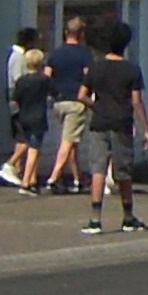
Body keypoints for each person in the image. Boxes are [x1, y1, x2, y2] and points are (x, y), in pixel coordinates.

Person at [76, 21, 148, 236]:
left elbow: (81, 95)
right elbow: (136, 101)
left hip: (99, 122)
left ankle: (95, 219)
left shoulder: (95, 68)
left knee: (98, 169)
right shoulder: (132, 69)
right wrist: (146, 128)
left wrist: (96, 105)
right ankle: (128, 216)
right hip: (122, 122)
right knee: (123, 171)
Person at [40, 17, 94, 197]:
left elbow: (47, 77)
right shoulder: (84, 54)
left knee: (71, 141)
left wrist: (53, 93)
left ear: (65, 32)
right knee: (69, 141)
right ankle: (53, 179)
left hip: (59, 102)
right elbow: (89, 77)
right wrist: (90, 96)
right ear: (82, 34)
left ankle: (78, 179)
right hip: (76, 102)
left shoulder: (55, 54)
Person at [4, 41, 51, 195]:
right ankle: (25, 182)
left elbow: (15, 98)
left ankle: (30, 179)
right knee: (34, 149)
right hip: (38, 117)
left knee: (25, 143)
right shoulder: (44, 80)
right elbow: (54, 93)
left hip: (24, 116)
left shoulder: (22, 81)